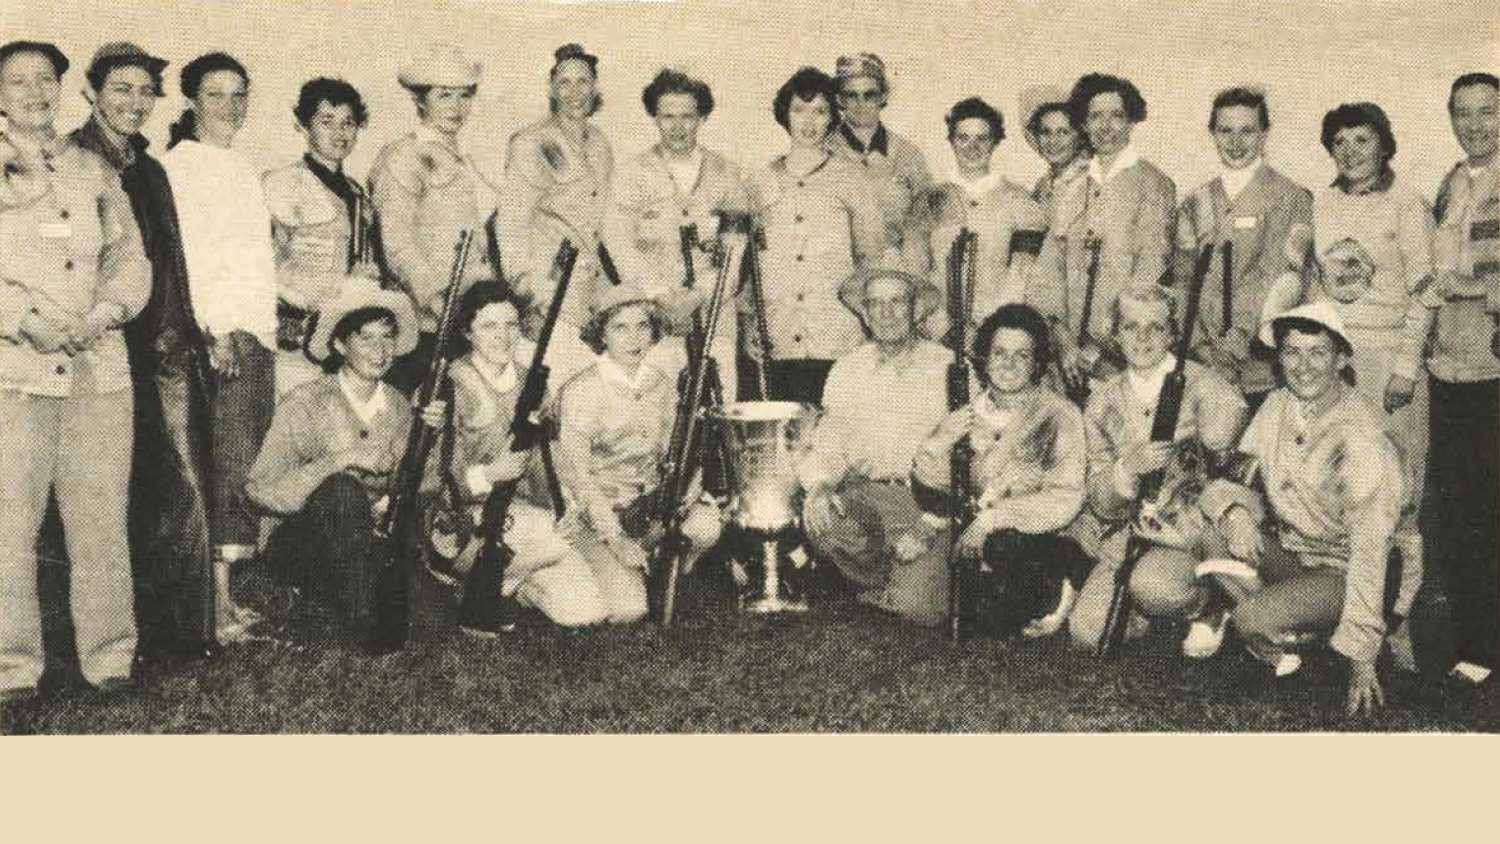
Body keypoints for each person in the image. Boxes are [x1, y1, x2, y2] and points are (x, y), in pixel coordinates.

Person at [0, 40, 149, 701]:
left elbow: (129, 260)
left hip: (98, 372)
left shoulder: (93, 168)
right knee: (9, 524)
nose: (36, 92)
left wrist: (108, 310)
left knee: (100, 520)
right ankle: (12, 667)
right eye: (19, 81)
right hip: (15, 374)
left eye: (47, 80)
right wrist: (23, 318)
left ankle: (110, 659)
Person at [1266, 101, 1435, 645]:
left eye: (1362, 141)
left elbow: (1425, 293)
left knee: (1398, 494)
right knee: (1333, 485)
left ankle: (1398, 626)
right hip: (1332, 361)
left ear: (1385, 144)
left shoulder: (1408, 204)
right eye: (1340, 143)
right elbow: (1297, 275)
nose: (1351, 152)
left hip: (1390, 363)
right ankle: (1334, 609)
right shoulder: (1318, 207)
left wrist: (1406, 365)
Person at [70, 41, 216, 665]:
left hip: (163, 352)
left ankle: (178, 634)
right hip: (101, 351)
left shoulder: (150, 169)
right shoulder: (69, 160)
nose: (134, 102)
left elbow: (169, 265)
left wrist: (189, 331)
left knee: (176, 487)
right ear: (92, 92)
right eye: (120, 89)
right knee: (102, 497)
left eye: (144, 92)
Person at [1198, 302, 1406, 717]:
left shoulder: (1361, 436)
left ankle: (1320, 638)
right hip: (1294, 554)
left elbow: (1371, 549)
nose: (1303, 366)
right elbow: (1234, 480)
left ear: (1341, 358)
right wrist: (1236, 511)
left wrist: (1363, 653)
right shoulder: (1278, 404)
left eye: (1318, 352)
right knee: (1212, 534)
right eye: (1292, 352)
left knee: (1253, 618)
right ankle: (1289, 631)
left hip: (1346, 570)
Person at [246, 279, 442, 635]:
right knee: (342, 492)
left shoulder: (400, 407)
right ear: (339, 344)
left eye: (387, 337)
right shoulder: (306, 403)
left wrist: (430, 439)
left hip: (369, 540)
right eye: (365, 338)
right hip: (304, 541)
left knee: (435, 616)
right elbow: (260, 489)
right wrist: (341, 460)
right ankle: (353, 611)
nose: (379, 350)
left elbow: (426, 486)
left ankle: (349, 601)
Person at [160, 50, 277, 642]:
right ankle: (215, 608)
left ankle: (225, 602)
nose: (230, 106)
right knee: (220, 465)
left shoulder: (235, 164)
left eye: (239, 94)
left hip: (256, 334)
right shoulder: (184, 165)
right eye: (215, 95)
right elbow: (193, 262)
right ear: (191, 102)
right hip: (224, 337)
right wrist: (215, 330)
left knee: (243, 463)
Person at [1066, 286, 1248, 654]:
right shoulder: (1102, 401)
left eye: (1156, 327)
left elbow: (1231, 462)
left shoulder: (1205, 386)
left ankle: (1209, 606)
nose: (1144, 338)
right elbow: (1101, 499)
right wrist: (1125, 470)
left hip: (1193, 534)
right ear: (1115, 335)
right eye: (1131, 327)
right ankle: (1145, 606)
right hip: (1128, 535)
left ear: (1173, 334)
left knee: (1157, 588)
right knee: (1087, 633)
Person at [434, 280, 617, 631]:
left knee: (584, 612)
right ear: (467, 332)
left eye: (511, 325)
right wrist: (489, 474)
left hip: (526, 514)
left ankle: (509, 582)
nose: (502, 336)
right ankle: (475, 575)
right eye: (489, 325)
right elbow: (435, 476)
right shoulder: (449, 383)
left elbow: (552, 455)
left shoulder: (530, 382)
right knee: (553, 540)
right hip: (462, 520)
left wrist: (566, 503)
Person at [911, 304, 1092, 636]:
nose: (1008, 365)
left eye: (1022, 356)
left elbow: (1066, 496)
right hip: (974, 536)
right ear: (984, 358)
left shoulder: (1058, 415)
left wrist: (995, 518)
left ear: (1037, 364)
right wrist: (939, 441)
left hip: (1033, 539)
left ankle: (1062, 588)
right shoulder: (967, 411)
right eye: (999, 353)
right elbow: (931, 488)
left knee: (999, 601)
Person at [553, 285, 723, 623]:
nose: (635, 338)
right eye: (621, 327)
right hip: (601, 514)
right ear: (601, 334)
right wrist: (615, 538)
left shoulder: (660, 383)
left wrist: (685, 495)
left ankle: (663, 563)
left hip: (651, 509)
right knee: (628, 610)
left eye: (643, 326)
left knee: (706, 525)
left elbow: (677, 452)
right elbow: (577, 477)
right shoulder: (581, 391)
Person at [797, 267, 951, 625]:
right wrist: (820, 485)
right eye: (875, 304)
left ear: (915, 310)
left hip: (928, 505)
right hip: (867, 497)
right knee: (824, 521)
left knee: (920, 610)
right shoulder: (848, 369)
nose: (887, 313)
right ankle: (888, 572)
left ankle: (889, 579)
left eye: (897, 302)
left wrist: (931, 524)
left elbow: (968, 456)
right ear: (864, 314)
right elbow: (829, 440)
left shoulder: (948, 367)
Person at [600, 67, 747, 401]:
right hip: (653, 321)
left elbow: (734, 254)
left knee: (718, 415)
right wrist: (660, 295)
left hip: (714, 319)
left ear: (702, 117)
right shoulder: (631, 173)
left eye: (688, 117)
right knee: (656, 414)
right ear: (654, 116)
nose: (678, 127)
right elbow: (618, 243)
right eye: (668, 117)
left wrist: (698, 296)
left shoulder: (728, 173)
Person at [745, 66, 886, 404]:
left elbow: (870, 258)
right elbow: (748, 266)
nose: (809, 122)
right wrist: (750, 320)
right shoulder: (758, 181)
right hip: (776, 338)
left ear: (833, 117)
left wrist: (867, 323)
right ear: (785, 115)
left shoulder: (854, 180)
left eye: (820, 111)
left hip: (837, 336)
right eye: (799, 110)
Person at [368, 44, 500, 395]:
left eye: (464, 96)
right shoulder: (402, 156)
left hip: (469, 321)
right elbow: (396, 243)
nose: (456, 107)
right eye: (444, 96)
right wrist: (435, 297)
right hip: (425, 325)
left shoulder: (466, 161)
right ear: (420, 100)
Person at [1427, 72, 1498, 689]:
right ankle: (1472, 643)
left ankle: (1483, 646)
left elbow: (1476, 278)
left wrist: (1470, 287)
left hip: (1495, 371)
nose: (1474, 126)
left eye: (1488, 113)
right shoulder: (1453, 183)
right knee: (1456, 514)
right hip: (1450, 371)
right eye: (1463, 113)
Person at [1176, 87, 1312, 409]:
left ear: (1264, 135)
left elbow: (1280, 274)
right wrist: (1198, 345)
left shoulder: (1290, 198)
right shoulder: (1195, 201)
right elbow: (1181, 277)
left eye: (1247, 131)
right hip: (1202, 361)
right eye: (1225, 131)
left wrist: (1238, 337)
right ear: (1213, 133)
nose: (1235, 143)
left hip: (1262, 365)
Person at [1044, 73, 1176, 392]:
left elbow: (1150, 270)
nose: (1106, 127)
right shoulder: (1070, 186)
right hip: (1065, 356)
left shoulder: (1153, 184)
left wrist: (1098, 346)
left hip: (1120, 352)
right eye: (1095, 117)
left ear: (1131, 122)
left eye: (1116, 116)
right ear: (1084, 125)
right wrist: (1062, 340)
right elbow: (1049, 271)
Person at [498, 43, 614, 385]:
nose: (574, 93)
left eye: (583, 82)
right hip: (549, 292)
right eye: (565, 83)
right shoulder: (531, 143)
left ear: (595, 87)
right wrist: (527, 295)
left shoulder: (600, 144)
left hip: (589, 295)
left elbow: (600, 226)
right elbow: (512, 222)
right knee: (552, 393)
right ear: (551, 89)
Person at [264, 76, 378, 395]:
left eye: (348, 123)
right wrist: (338, 287)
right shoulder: (282, 184)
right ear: (303, 125)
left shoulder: (358, 194)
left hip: (345, 342)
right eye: (327, 122)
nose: (339, 133)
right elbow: (265, 266)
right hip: (294, 341)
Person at [917, 96, 1048, 329]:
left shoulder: (1020, 202)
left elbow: (1020, 276)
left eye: (982, 138)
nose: (972, 147)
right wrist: (940, 327)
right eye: (963, 138)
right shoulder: (928, 201)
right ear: (952, 141)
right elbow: (918, 271)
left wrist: (990, 329)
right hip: (937, 332)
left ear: (995, 142)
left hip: (997, 332)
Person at [826, 52, 932, 269]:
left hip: (897, 276)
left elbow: (929, 223)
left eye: (869, 95)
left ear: (883, 96)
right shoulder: (823, 152)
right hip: (837, 275)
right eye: (851, 95)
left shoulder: (908, 155)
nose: (860, 103)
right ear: (839, 99)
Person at [1017, 84, 1087, 217]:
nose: (1053, 141)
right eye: (1045, 132)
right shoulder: (1042, 186)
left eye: (1063, 132)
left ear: (1080, 136)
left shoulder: (1089, 184)